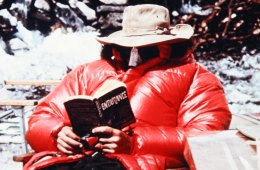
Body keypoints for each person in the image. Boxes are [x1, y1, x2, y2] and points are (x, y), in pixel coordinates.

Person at [25, 4, 231, 170]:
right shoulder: (87, 72)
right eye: (126, 49)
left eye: (146, 49)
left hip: (135, 163)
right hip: (71, 160)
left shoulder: (197, 78)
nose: (134, 56)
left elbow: (205, 137)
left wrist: (134, 143)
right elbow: (40, 118)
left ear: (169, 46)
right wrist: (57, 134)